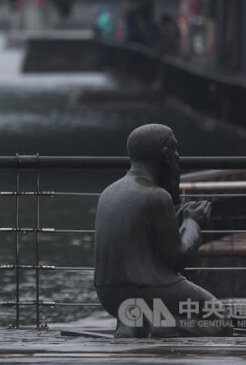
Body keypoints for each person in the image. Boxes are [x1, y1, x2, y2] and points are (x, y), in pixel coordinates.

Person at [93, 124, 232, 337]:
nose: (178, 156)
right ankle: (161, 326)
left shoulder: (108, 192)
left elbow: (140, 236)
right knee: (220, 319)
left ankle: (135, 325)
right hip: (146, 289)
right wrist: (192, 223)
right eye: (175, 150)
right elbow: (179, 257)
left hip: (108, 294)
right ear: (166, 154)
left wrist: (177, 219)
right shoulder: (157, 196)